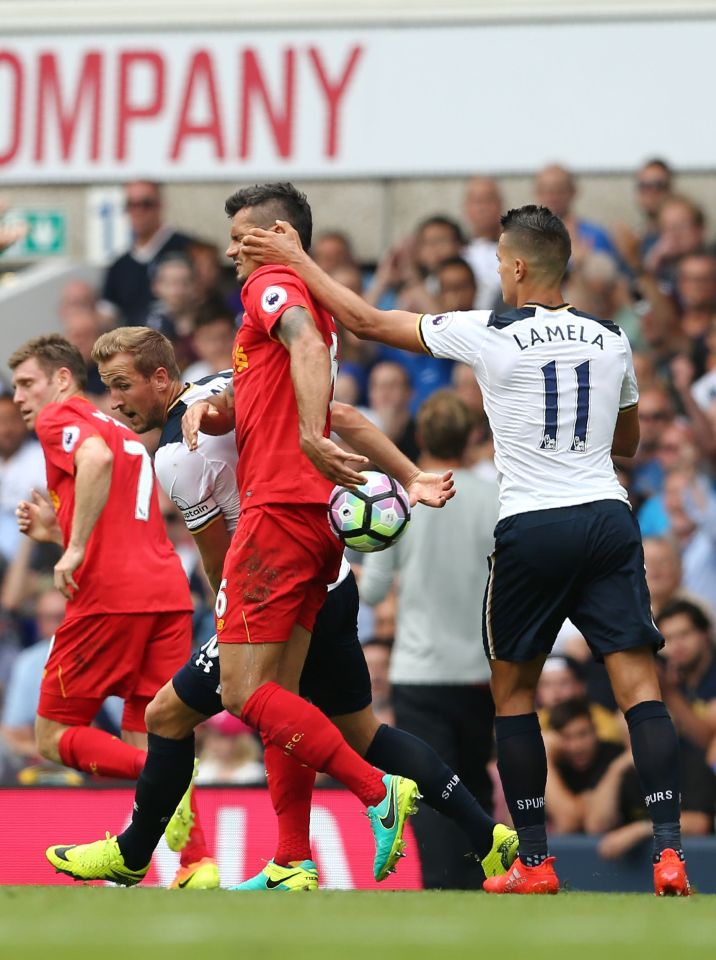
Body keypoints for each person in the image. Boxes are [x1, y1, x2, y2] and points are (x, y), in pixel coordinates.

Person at [241, 201, 692, 897]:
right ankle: (670, 855)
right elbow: (626, 443)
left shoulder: (490, 332)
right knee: (640, 690)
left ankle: (535, 863)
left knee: (513, 695)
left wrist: (299, 262)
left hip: (534, 525)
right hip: (607, 515)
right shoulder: (610, 339)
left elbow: (365, 321)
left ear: (513, 265)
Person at [47, 315, 515, 888]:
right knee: (351, 728)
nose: (114, 402)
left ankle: (137, 850)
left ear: (162, 376)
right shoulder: (228, 385)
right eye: (107, 386)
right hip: (330, 572)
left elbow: (218, 559)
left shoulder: (176, 453)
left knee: (170, 715)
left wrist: (230, 620)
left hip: (271, 582)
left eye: (122, 385)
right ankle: (484, 837)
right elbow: (336, 417)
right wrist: (410, 474)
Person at [8, 335, 213, 890]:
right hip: (167, 592)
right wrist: (57, 531)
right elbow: (118, 508)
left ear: (62, 379)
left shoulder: (62, 420)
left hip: (109, 599)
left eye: (28, 383)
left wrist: (71, 550)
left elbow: (92, 462)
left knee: (53, 734)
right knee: (153, 732)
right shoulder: (121, 428)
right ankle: (198, 865)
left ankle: (166, 780)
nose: (20, 396)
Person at [360, 389, 500, 889]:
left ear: (419, 437)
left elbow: (374, 591)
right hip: (482, 670)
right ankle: (490, 878)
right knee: (476, 780)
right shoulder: (495, 497)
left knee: (433, 785)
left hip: (420, 670)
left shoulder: (403, 499)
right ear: (471, 438)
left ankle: (444, 884)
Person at [101, 181, 195, 326]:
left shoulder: (190, 249)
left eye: (146, 204)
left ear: (160, 205)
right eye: (131, 205)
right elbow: (107, 317)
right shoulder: (118, 266)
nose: (138, 211)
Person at [543, 698, 626, 834]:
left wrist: (545, 761)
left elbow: (569, 823)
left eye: (583, 734)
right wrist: (546, 759)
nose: (577, 746)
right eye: (567, 737)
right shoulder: (556, 761)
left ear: (595, 732)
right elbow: (511, 822)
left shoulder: (613, 756)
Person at [0, 394, 46, 565]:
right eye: (1, 422)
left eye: (13, 420)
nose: (7, 429)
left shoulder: (40, 456)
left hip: (31, 554)